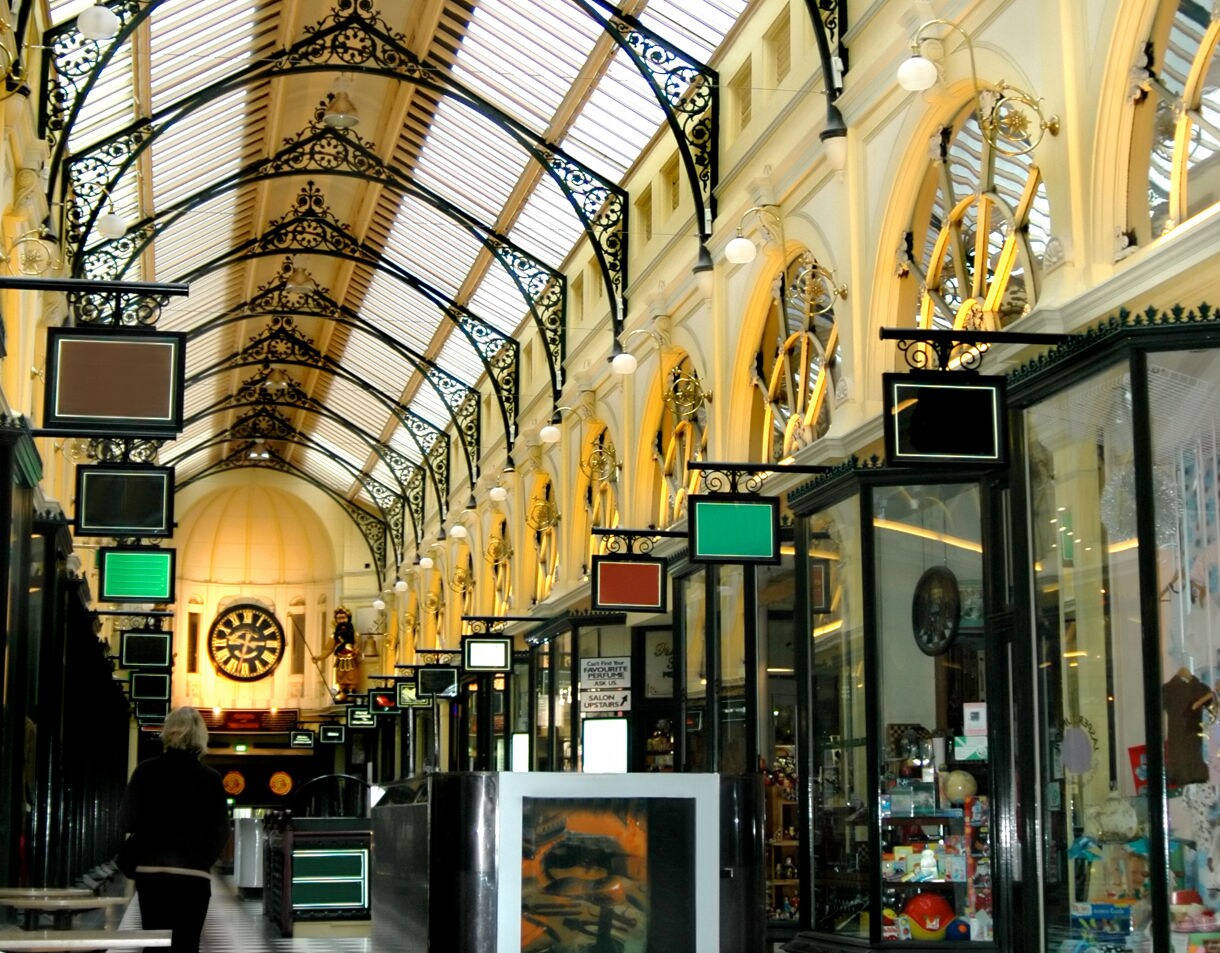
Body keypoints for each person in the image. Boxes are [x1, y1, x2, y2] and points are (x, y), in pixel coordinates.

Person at [117, 706, 230, 953]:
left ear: (168, 733)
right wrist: (200, 860)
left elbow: (126, 820)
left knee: (155, 944)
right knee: (187, 945)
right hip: (193, 878)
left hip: (153, 874)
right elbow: (222, 830)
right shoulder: (211, 778)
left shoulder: (146, 771)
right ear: (201, 736)